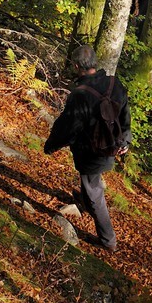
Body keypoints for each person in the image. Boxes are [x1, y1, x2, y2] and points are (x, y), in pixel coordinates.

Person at [43, 43, 131, 251]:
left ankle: (108, 240)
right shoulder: (114, 83)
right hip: (112, 146)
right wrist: (125, 140)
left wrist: (51, 145)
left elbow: (67, 127)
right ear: (95, 62)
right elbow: (125, 114)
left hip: (91, 153)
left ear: (76, 66)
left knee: (94, 192)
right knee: (90, 185)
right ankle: (83, 200)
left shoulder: (80, 94)